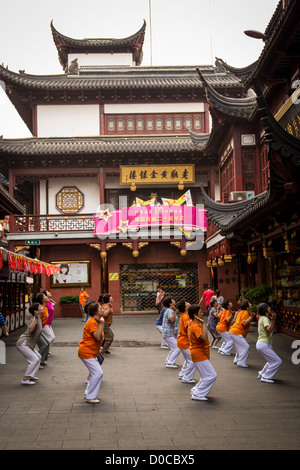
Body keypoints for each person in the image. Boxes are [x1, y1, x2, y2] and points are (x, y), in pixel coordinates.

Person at [187, 304, 217, 401]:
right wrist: (203, 324)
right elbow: (203, 337)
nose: (202, 313)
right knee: (211, 375)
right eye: (200, 312)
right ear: (195, 315)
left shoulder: (192, 323)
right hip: (198, 354)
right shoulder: (195, 326)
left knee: (206, 376)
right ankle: (198, 393)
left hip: (198, 353)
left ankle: (196, 390)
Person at [78, 301, 105, 404]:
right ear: (96, 312)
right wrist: (102, 323)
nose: (102, 309)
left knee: (97, 373)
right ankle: (90, 396)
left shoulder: (95, 320)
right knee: (98, 373)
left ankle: (90, 394)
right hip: (86, 352)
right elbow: (98, 337)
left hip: (90, 352)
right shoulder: (92, 321)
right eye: (100, 308)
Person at [16, 303, 43, 385]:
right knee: (34, 360)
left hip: (28, 344)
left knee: (38, 357)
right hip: (23, 343)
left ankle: (31, 375)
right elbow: (31, 330)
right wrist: (36, 318)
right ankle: (25, 379)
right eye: (40, 307)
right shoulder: (34, 319)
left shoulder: (38, 318)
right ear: (36, 311)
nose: (42, 307)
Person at [256, 303, 282, 383]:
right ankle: (266, 376)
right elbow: (269, 329)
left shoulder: (262, 318)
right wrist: (273, 319)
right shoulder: (265, 319)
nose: (270, 308)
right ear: (265, 309)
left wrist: (271, 320)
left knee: (271, 360)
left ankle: (262, 373)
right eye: (268, 307)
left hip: (263, 344)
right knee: (277, 361)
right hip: (264, 344)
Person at [229, 300, 255, 367]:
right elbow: (244, 323)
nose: (251, 305)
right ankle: (241, 362)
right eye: (250, 304)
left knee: (239, 347)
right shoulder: (245, 313)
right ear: (247, 307)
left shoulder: (242, 312)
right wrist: (251, 317)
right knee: (246, 347)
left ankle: (237, 360)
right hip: (237, 332)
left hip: (233, 331)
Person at [176, 299, 196, 384]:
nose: (188, 303)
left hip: (182, 341)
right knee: (193, 360)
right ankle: (187, 377)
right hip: (184, 341)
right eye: (187, 303)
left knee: (189, 360)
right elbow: (188, 326)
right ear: (185, 307)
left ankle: (183, 374)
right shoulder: (185, 316)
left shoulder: (185, 315)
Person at [161, 296, 180, 368]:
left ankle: (168, 361)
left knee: (173, 348)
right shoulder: (169, 310)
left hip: (169, 333)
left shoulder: (169, 310)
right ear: (170, 304)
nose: (174, 301)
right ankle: (170, 363)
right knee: (177, 348)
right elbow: (171, 319)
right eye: (173, 300)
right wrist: (175, 311)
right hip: (168, 333)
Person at [34, 293, 50, 367]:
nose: (47, 297)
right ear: (42, 300)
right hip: (36, 330)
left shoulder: (45, 307)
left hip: (40, 329)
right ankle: (35, 361)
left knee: (47, 343)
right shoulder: (41, 308)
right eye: (44, 296)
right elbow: (37, 319)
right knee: (44, 345)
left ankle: (42, 361)